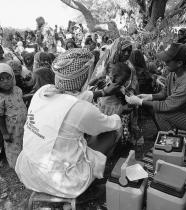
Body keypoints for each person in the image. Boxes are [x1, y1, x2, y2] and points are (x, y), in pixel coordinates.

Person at [15, 48, 122, 198]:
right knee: (110, 134)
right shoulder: (80, 109)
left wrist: (102, 92)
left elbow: (72, 97)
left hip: (29, 171)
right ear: (85, 77)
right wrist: (119, 113)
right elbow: (111, 123)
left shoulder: (43, 91)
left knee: (74, 133)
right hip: (60, 182)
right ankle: (87, 188)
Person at [125, 43, 186, 132]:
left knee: (161, 113)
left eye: (167, 60)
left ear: (179, 63)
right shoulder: (174, 73)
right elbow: (165, 92)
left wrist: (140, 101)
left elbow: (166, 105)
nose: (164, 62)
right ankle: (168, 136)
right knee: (159, 111)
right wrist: (149, 96)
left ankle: (169, 139)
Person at [0, 63, 27, 168]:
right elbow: (0, 117)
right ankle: (17, 167)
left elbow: (20, 102)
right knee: (14, 148)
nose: (5, 81)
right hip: (11, 129)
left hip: (24, 125)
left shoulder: (17, 90)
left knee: (25, 144)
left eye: (8, 77)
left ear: (13, 77)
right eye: (1, 79)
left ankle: (26, 165)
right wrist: (5, 133)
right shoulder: (0, 97)